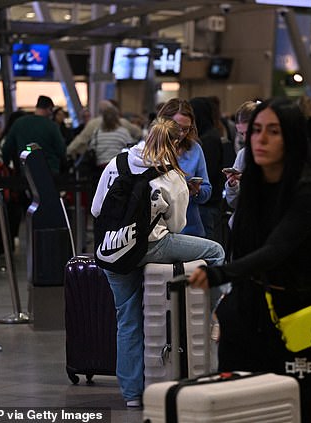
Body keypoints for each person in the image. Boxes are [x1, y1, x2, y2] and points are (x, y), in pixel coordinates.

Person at [188, 98, 311, 423]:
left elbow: (276, 249)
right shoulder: (252, 187)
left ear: (292, 138)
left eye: (273, 131)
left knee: (305, 406)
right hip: (249, 312)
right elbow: (243, 247)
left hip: (297, 315)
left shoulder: (309, 191)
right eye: (256, 131)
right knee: (242, 403)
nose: (261, 139)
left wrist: (218, 274)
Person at [91, 117, 225, 408]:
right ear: (175, 143)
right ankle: (215, 314)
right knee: (216, 253)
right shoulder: (172, 175)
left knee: (126, 320)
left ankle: (131, 395)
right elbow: (177, 225)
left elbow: (96, 208)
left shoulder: (118, 162)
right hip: (153, 246)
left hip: (114, 250)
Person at [157, 98, 211, 237]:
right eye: (177, 128)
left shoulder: (195, 149)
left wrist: (197, 191)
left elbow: (207, 190)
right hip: (158, 230)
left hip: (190, 228)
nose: (180, 134)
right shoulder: (152, 149)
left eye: (186, 129)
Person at [1, 95, 66, 175]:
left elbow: (6, 148)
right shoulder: (52, 126)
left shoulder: (19, 123)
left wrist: (6, 165)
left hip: (27, 172)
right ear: (49, 109)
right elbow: (61, 150)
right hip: (50, 172)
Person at [190, 97, 224, 242]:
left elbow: (206, 175)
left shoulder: (208, 139)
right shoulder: (209, 134)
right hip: (205, 205)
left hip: (207, 206)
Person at [67, 100, 142, 158]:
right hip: (119, 160)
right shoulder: (123, 123)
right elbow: (138, 133)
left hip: (100, 163)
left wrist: (68, 151)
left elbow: (81, 140)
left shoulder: (93, 124)